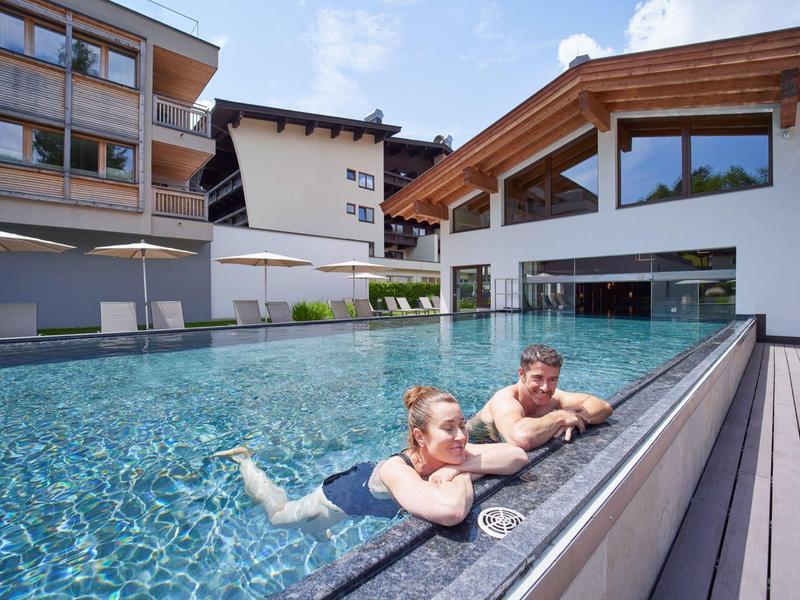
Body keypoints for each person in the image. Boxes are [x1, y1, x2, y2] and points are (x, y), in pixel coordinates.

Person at [213, 386, 528, 537]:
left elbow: (517, 455)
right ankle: (245, 461)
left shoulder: (453, 453)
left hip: (367, 478)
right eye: (448, 428)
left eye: (461, 424)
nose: (461, 435)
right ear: (420, 437)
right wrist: (466, 470)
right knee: (279, 516)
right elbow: (451, 511)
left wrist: (457, 467)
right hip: (340, 498)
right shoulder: (397, 469)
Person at [466, 344, 613, 450]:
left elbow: (603, 407)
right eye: (538, 378)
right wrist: (559, 417)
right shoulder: (504, 400)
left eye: (552, 379)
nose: (545, 388)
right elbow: (521, 438)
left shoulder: (554, 398)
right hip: (475, 442)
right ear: (521, 374)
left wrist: (574, 420)